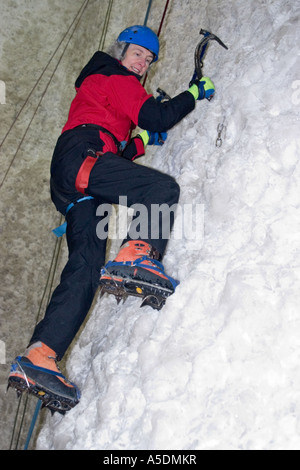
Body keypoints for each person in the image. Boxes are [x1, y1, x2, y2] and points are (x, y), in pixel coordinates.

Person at [8, 25, 215, 412]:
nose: (142, 65)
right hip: (83, 157)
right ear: (121, 52)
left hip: (76, 179)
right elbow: (155, 115)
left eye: (149, 60)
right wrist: (193, 93)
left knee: (85, 268)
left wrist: (140, 143)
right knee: (160, 191)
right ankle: (136, 254)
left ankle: (40, 355)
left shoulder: (101, 89)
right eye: (138, 54)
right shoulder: (112, 74)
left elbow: (117, 146)